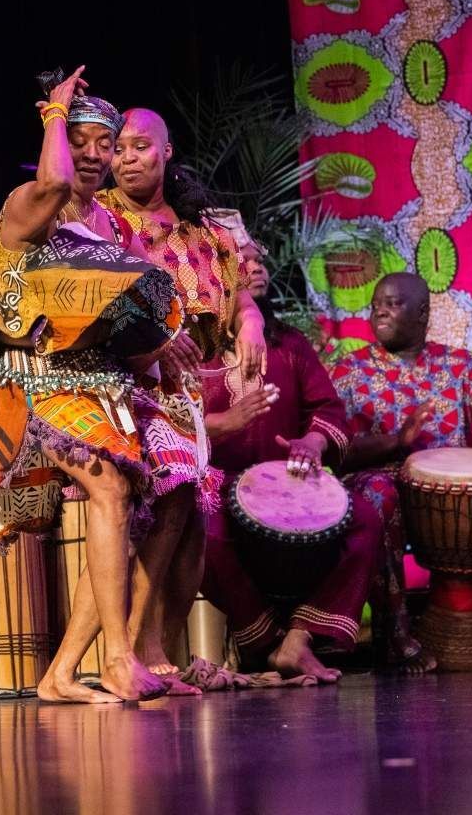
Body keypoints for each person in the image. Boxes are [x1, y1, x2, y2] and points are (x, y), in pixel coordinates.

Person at [0, 69, 178, 703]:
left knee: (126, 503)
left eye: (104, 145)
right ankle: (117, 658)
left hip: (91, 380)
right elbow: (55, 179)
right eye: (80, 140)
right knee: (109, 491)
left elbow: (111, 314)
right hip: (23, 378)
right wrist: (54, 112)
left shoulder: (111, 230)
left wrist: (162, 346)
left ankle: (61, 672)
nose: (93, 155)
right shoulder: (29, 200)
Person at [95, 107, 267, 690]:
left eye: (139, 147)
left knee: (190, 517)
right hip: (126, 385)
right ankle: (140, 645)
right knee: (163, 505)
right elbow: (99, 305)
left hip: (185, 390)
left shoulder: (205, 227)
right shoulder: (102, 222)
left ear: (167, 152)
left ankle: (165, 646)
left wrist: (250, 325)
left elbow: (243, 293)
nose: (125, 159)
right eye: (117, 149)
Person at [334, 272, 472, 671]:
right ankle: (396, 637)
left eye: (392, 303)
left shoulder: (459, 365)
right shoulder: (349, 371)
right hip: (384, 480)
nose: (380, 312)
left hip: (458, 496)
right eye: (375, 305)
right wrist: (397, 442)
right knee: (374, 498)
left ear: (422, 312)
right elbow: (338, 452)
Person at [199, 243, 374, 682]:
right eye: (244, 262)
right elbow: (169, 416)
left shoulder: (289, 343)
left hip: (291, 479)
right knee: (205, 533)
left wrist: (314, 442)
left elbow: (328, 409)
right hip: (217, 481)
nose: (257, 268)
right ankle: (266, 644)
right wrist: (222, 424)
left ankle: (300, 637)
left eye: (261, 260)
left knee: (366, 521)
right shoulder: (192, 346)